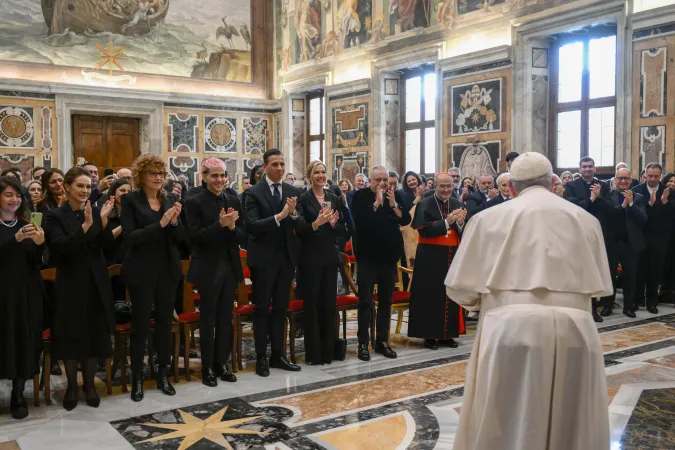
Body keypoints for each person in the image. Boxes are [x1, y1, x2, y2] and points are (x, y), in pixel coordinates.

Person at [445, 152, 613, 450]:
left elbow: (461, 289)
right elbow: (599, 287)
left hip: (509, 328)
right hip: (576, 329)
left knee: (506, 421)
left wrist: (488, 302)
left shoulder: (486, 218)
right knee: (573, 422)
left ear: (510, 187)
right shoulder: (586, 220)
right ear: (553, 185)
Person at [43, 167, 116, 411]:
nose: (85, 190)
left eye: (88, 186)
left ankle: (90, 386)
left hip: (96, 280)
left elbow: (105, 246)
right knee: (71, 334)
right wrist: (85, 226)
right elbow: (61, 247)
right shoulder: (54, 216)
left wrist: (103, 221)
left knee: (94, 333)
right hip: (70, 282)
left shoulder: (95, 211)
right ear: (67, 187)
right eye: (80, 186)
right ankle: (73, 386)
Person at [120, 154, 188, 401]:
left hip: (167, 269)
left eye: (161, 173)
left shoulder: (169, 198)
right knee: (139, 326)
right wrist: (160, 224)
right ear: (141, 176)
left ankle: (162, 375)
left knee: (163, 324)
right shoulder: (130, 200)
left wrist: (175, 221)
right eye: (152, 173)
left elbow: (181, 237)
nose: (158, 177)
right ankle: (137, 377)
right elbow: (130, 237)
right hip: (141, 269)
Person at [185, 158, 245, 386]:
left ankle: (222, 364)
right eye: (214, 176)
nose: (219, 180)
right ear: (204, 176)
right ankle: (207, 368)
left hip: (229, 265)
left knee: (225, 319)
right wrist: (219, 225)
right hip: (208, 267)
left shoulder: (233, 199)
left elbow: (243, 235)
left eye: (222, 176)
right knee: (208, 320)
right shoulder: (194, 202)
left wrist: (231, 227)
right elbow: (195, 237)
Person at [245, 149, 304, 377]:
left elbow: (298, 220)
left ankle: (277, 354)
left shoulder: (291, 190)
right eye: (275, 164)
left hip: (286, 259)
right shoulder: (253, 193)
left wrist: (294, 215)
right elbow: (252, 225)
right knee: (261, 308)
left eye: (282, 164)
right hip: (263, 259)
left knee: (281, 308)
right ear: (265, 167)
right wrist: (280, 216)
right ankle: (261, 356)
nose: (280, 168)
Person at [351, 166, 411, 361]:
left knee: (386, 302)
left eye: (385, 179)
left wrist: (393, 204)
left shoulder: (393, 196)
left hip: (388, 258)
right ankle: (362, 343)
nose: (382, 183)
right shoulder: (360, 196)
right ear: (370, 180)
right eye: (378, 179)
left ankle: (382, 341)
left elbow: (405, 219)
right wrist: (377, 203)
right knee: (366, 302)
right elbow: (361, 222)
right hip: (367, 258)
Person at [0, 176, 46, 420]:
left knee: (23, 340)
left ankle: (18, 394)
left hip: (26, 293)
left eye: (17, 195)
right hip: (2, 293)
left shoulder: (27, 224)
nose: (14, 200)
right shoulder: (11, 231)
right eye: (8, 194)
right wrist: (13, 241)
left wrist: (39, 245)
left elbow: (38, 262)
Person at [408, 173, 467, 350]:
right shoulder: (424, 204)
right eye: (442, 186)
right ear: (435, 186)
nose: (446, 189)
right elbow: (423, 231)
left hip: (452, 255)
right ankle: (430, 335)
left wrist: (462, 223)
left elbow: (464, 230)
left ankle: (447, 335)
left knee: (450, 294)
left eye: (449, 186)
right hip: (430, 256)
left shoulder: (457, 203)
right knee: (430, 295)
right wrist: (447, 222)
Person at [297, 161, 340, 365]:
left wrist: (334, 225)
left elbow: (343, 230)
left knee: (329, 304)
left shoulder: (333, 198)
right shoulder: (303, 199)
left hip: (329, 257)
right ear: (309, 176)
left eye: (323, 172)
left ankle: (328, 351)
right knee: (313, 305)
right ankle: (314, 353)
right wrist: (317, 224)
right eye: (317, 172)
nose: (321, 176)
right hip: (310, 258)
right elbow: (300, 229)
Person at [564, 156, 612, 323]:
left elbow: (610, 209)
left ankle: (592, 309)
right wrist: (591, 199)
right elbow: (572, 207)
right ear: (579, 169)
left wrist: (598, 197)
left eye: (590, 166)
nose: (587, 169)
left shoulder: (603, 186)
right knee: (578, 271)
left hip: (597, 234)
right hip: (577, 233)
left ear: (594, 169)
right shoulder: (570, 186)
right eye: (584, 166)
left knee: (593, 272)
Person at [602, 168, 647, 318]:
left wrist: (631, 203)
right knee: (609, 275)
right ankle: (608, 305)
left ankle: (628, 307)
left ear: (630, 180)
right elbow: (609, 216)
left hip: (630, 244)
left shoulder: (639, 197)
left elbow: (643, 219)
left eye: (626, 179)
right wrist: (622, 205)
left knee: (630, 277)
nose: (622, 181)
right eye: (619, 178)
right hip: (612, 242)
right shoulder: (608, 196)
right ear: (615, 179)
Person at [633, 162, 674, 314]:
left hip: (660, 238)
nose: (652, 179)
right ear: (645, 174)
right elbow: (636, 214)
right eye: (650, 176)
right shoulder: (637, 190)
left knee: (655, 271)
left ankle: (652, 302)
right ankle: (637, 300)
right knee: (640, 270)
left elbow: (672, 215)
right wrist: (650, 204)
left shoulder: (668, 191)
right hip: (642, 236)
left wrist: (665, 203)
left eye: (656, 176)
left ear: (661, 176)